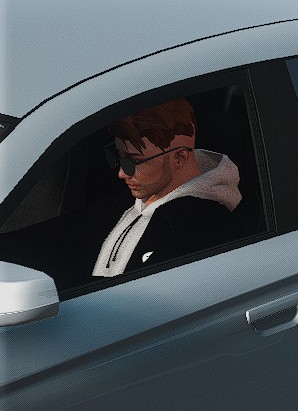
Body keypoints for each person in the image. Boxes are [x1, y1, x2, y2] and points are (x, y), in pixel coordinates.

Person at [90, 98, 244, 278]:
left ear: (179, 159)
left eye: (134, 162)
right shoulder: (129, 200)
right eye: (117, 157)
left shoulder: (207, 230)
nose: (122, 173)